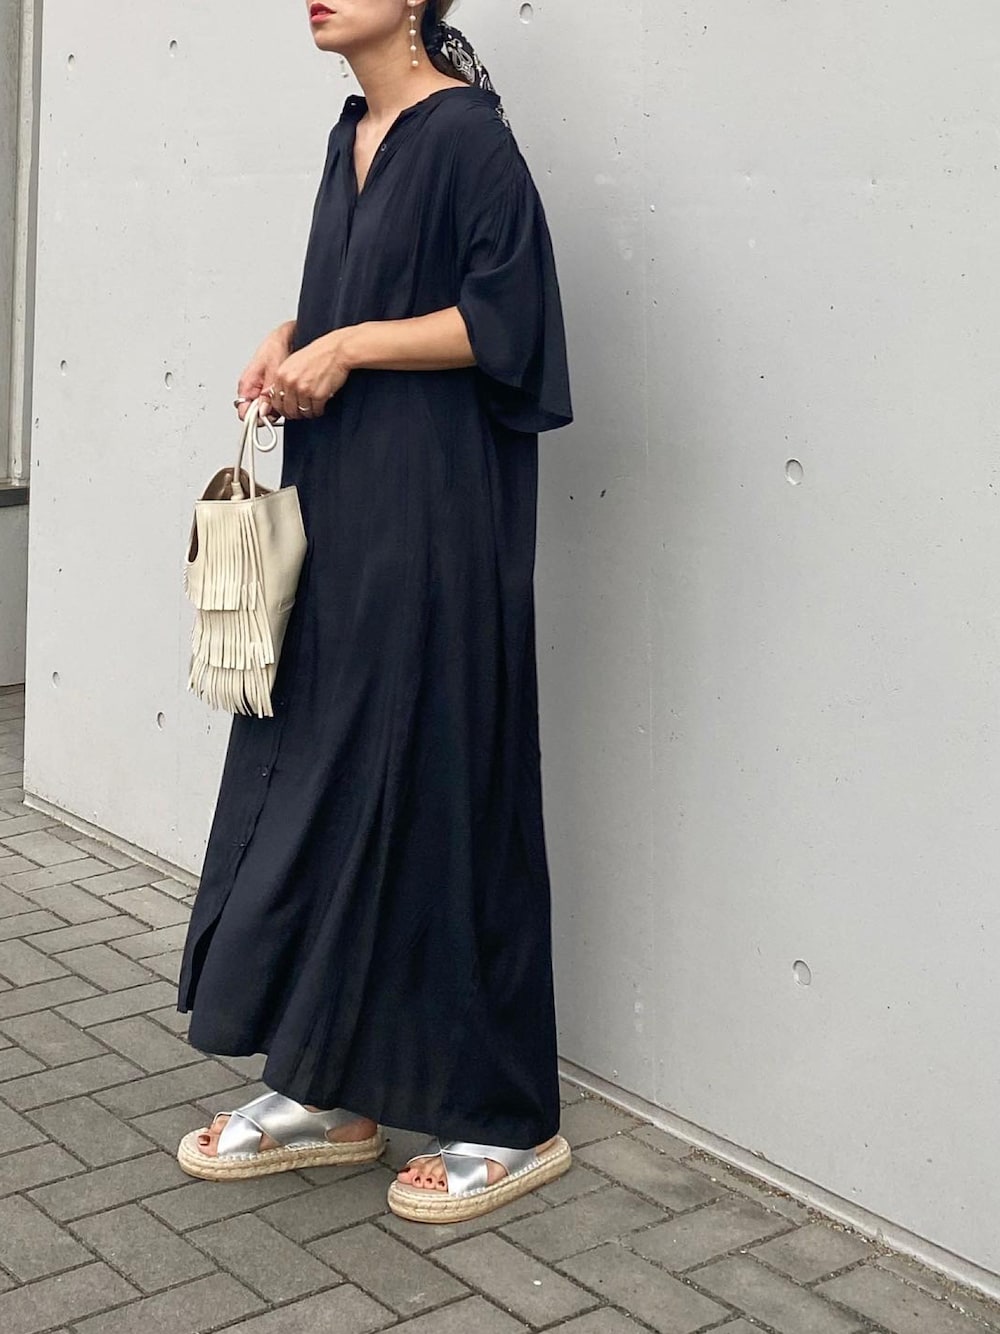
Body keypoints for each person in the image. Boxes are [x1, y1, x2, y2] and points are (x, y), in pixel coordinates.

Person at [175, 0, 575, 1223]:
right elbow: (369, 293)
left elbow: (506, 320)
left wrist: (346, 346)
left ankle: (504, 1113)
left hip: (439, 511)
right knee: (328, 772)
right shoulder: (351, 133)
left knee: (447, 776)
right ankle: (328, 1085)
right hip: (345, 502)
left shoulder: (468, 139)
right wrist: (293, 332)